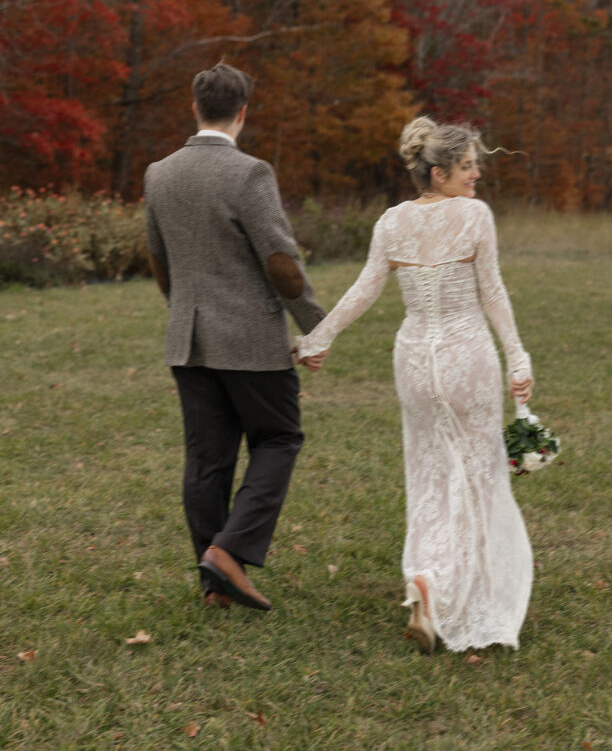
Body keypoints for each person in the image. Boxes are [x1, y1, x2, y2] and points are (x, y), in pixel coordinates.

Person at [295, 116, 534, 654]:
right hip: (467, 357)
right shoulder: (474, 216)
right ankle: (457, 594)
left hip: (414, 364)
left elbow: (363, 290)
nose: (476, 176)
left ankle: (426, 577)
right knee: (476, 474)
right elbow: (492, 293)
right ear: (442, 172)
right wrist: (517, 356)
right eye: (469, 166)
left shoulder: (391, 223)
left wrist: (318, 337)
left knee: (428, 473)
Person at [144, 60, 326, 612]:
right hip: (249, 340)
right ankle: (227, 554)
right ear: (242, 112)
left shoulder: (159, 173)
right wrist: (316, 323)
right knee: (278, 439)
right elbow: (281, 262)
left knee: (207, 459)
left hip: (188, 338)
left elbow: (158, 259)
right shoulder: (250, 174)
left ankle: (213, 584)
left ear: (195, 108)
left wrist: (184, 311)